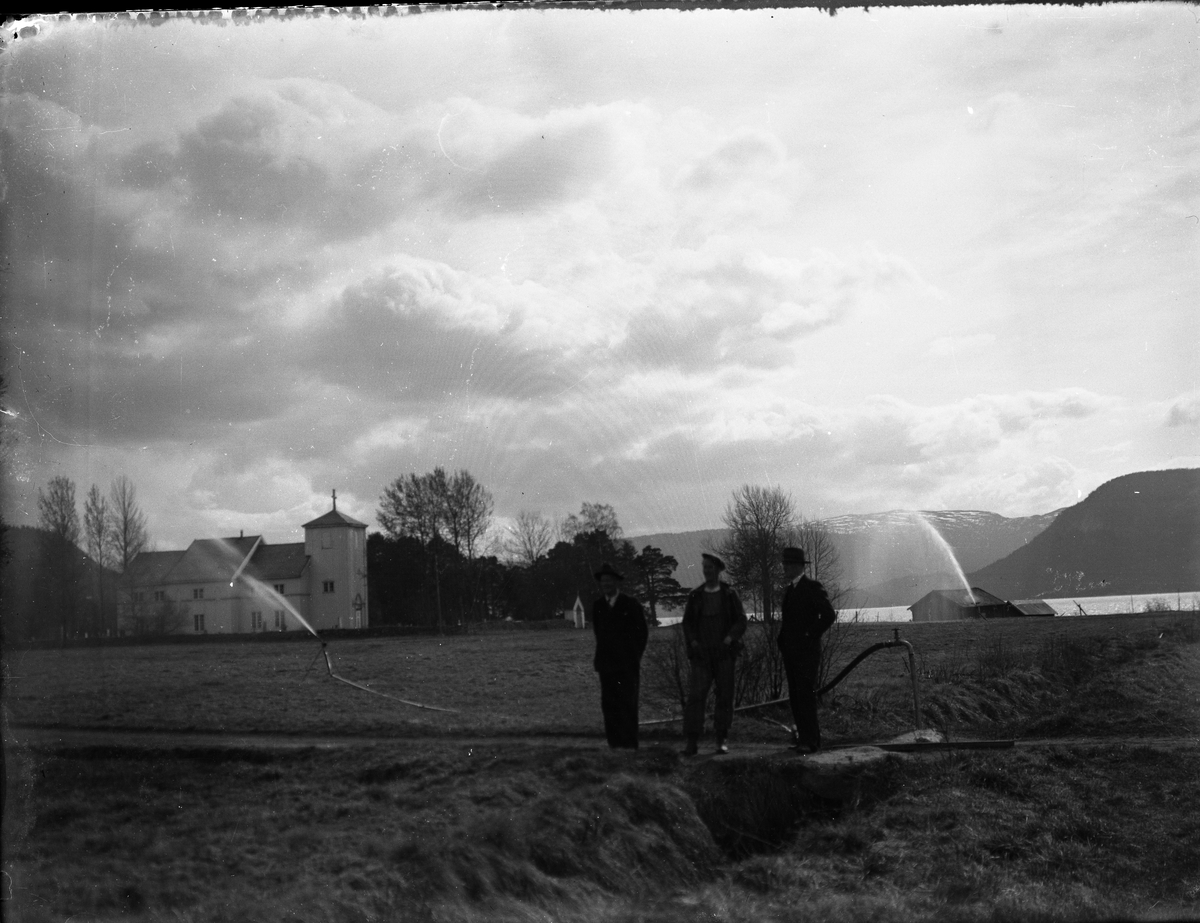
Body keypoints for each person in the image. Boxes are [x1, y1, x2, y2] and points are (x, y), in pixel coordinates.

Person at [681, 552, 748, 756]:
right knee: (696, 697)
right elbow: (688, 623)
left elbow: (741, 620)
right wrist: (693, 641)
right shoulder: (696, 596)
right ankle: (692, 742)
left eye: (710, 567)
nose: (707, 571)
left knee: (725, 696)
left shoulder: (729, 594)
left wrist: (730, 638)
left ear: (718, 570)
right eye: (705, 567)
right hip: (702, 656)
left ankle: (721, 739)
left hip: (724, 655)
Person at [777, 546, 837, 753]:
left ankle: (811, 741)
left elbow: (829, 615)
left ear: (797, 566)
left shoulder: (812, 587)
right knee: (795, 696)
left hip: (806, 653)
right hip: (791, 653)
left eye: (787, 564)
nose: (784, 567)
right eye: (784, 564)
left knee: (805, 695)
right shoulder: (791, 590)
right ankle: (803, 739)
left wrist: (809, 635)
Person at [591, 561, 649, 749]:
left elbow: (642, 634)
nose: (606, 584)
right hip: (606, 666)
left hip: (627, 666)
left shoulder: (630, 605)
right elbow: (598, 635)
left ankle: (630, 745)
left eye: (609, 581)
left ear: (617, 582)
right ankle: (614, 745)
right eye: (603, 581)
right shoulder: (598, 606)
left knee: (628, 704)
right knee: (609, 705)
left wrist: (633, 658)